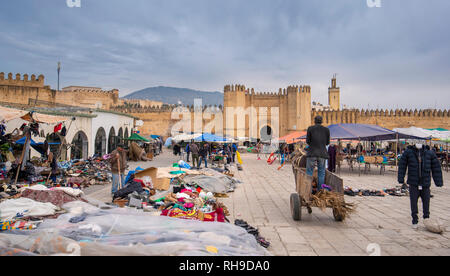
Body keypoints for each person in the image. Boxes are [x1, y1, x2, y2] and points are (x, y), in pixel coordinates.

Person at [398, 144, 443, 229]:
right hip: (413, 182)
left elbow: (436, 168)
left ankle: (427, 219)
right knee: (413, 203)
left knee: (426, 202)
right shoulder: (408, 152)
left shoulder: (430, 153)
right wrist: (401, 178)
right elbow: (402, 165)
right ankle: (414, 220)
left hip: (425, 183)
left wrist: (438, 182)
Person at [306, 115, 330, 190]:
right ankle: (320, 191)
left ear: (314, 121)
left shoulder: (310, 129)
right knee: (321, 173)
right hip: (322, 154)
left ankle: (308, 191)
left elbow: (308, 141)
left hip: (312, 153)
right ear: (322, 121)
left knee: (309, 171)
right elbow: (327, 142)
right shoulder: (326, 130)